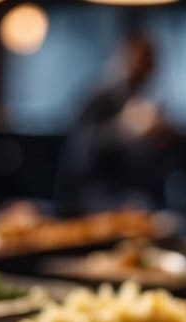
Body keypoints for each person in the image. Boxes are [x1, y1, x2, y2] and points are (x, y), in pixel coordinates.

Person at [55, 32, 168, 210]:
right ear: (125, 58)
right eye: (142, 62)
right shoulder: (100, 96)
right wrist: (123, 129)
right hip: (96, 194)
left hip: (135, 192)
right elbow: (81, 151)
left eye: (150, 64)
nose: (146, 71)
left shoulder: (143, 100)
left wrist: (159, 137)